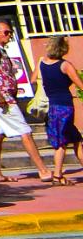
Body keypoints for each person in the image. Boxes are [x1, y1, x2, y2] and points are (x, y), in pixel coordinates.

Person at [0, 18, 53, 185]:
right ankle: (43, 170)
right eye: (6, 32)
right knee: (25, 131)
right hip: (2, 100)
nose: (9, 35)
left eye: (10, 32)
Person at [41, 36, 81, 185]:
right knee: (61, 143)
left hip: (53, 106)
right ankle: (57, 175)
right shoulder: (65, 65)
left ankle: (58, 174)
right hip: (64, 106)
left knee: (76, 140)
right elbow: (79, 83)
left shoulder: (42, 63)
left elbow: (35, 79)